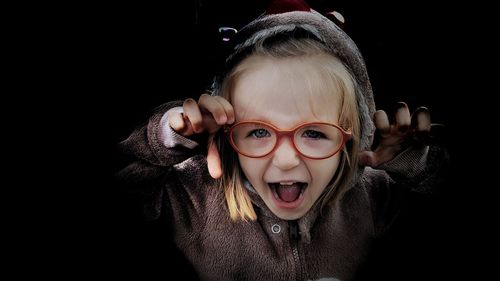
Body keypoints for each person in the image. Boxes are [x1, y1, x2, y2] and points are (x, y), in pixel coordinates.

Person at [117, 0, 447, 280]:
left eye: (314, 133)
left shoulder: (373, 199)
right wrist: (168, 137)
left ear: (350, 136)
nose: (287, 159)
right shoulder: (195, 199)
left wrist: (415, 168)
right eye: (258, 132)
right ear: (230, 135)